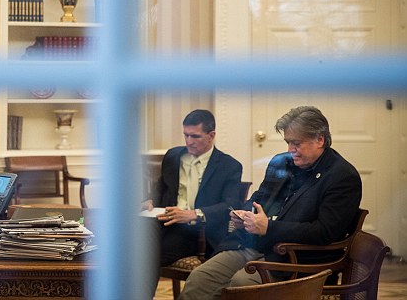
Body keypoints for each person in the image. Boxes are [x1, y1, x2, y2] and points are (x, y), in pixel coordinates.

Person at [178, 106, 363, 300]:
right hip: (253, 246)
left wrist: (269, 227)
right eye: (288, 142)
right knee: (199, 279)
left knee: (242, 285)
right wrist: (243, 213)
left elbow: (324, 231)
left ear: (320, 140)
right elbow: (259, 197)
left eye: (296, 143)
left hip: (295, 260)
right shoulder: (282, 162)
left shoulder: (342, 177)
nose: (291, 150)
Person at [142, 109, 243, 298]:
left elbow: (231, 205)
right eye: (186, 135)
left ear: (211, 135)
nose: (189, 141)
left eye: (195, 136)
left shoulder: (229, 166)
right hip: (163, 222)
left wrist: (194, 214)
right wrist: (149, 201)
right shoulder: (173, 156)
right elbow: (161, 187)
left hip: (197, 232)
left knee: (145, 254)